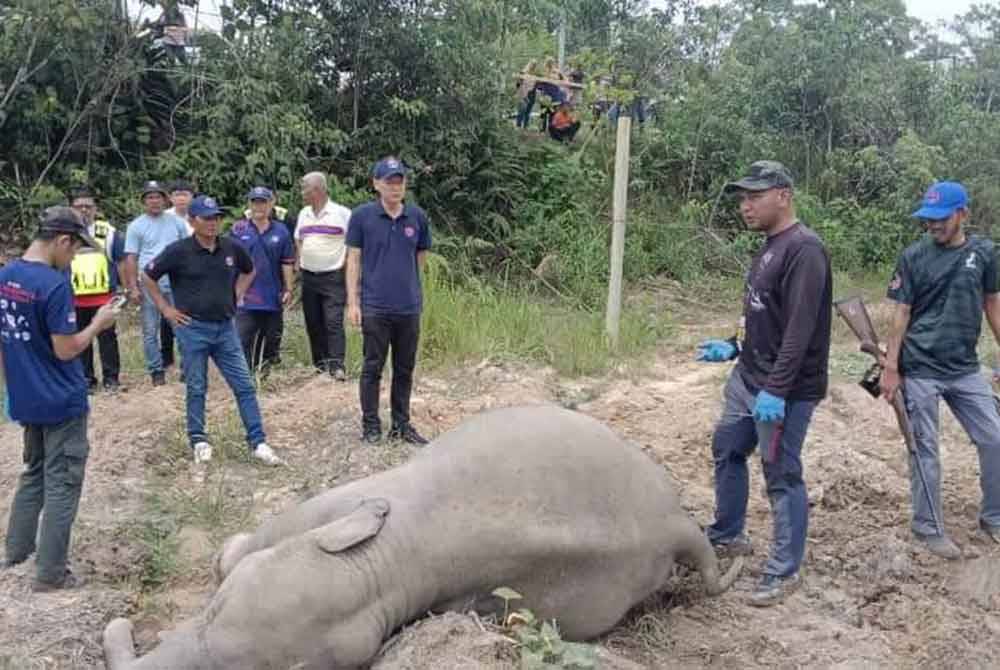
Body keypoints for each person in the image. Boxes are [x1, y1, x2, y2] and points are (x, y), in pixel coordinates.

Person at [696, 161, 832, 607]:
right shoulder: (769, 246)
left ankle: (784, 569)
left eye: (754, 195)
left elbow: (799, 328)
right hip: (747, 378)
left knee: (782, 474)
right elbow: (764, 313)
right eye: (741, 197)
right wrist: (734, 345)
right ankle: (729, 532)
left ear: (784, 195)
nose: (745, 205)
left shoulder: (805, 250)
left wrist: (776, 389)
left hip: (784, 391)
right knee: (728, 449)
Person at [1, 207, 120, 591]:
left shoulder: (6, 277)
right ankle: (50, 574)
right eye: (73, 251)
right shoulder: (53, 286)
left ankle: (16, 554)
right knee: (63, 482)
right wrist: (98, 324)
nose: (73, 259)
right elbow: (67, 349)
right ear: (62, 240)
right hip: (60, 399)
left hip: (27, 396)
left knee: (33, 472)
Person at [882, 181, 1000, 557]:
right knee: (925, 449)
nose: (932, 225)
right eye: (928, 219)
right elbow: (901, 313)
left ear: (962, 214)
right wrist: (890, 367)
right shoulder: (914, 256)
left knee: (994, 439)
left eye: (941, 218)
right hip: (920, 368)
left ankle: (994, 517)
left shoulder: (984, 253)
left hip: (965, 368)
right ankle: (928, 527)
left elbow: (993, 304)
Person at [142, 195, 283, 466]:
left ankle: (258, 441)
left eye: (216, 217)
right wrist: (165, 309)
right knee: (196, 386)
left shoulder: (231, 247)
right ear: (193, 221)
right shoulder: (178, 251)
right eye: (206, 218)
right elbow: (147, 275)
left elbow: (249, 270)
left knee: (244, 384)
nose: (212, 223)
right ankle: (199, 440)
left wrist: (237, 294)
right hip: (192, 327)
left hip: (225, 328)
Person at [346, 157, 431, 445]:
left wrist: (410, 286)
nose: (396, 188)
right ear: (376, 184)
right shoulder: (362, 217)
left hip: (408, 306)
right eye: (390, 182)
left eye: (400, 181)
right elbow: (353, 259)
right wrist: (353, 302)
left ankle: (401, 424)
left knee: (404, 367)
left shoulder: (417, 217)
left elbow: (420, 256)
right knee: (373, 367)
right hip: (375, 306)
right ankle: (371, 425)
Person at [123, 180, 189, 386]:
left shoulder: (176, 222)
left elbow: (187, 249)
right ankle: (156, 371)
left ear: (165, 199)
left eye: (158, 197)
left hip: (175, 282)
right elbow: (131, 258)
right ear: (144, 201)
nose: (155, 201)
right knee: (150, 331)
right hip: (149, 283)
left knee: (182, 327)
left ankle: (187, 369)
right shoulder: (136, 226)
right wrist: (132, 287)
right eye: (150, 197)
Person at [230, 186, 296, 376]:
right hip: (245, 296)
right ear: (249, 204)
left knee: (271, 337)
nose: (259, 206)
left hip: (272, 294)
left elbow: (287, 261)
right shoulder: (238, 229)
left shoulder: (281, 231)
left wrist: (288, 288)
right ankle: (244, 376)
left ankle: (263, 371)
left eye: (263, 202)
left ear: (271, 204)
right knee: (244, 337)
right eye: (255, 202)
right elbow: (230, 260)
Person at [295, 172, 353, 380]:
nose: (302, 193)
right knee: (313, 321)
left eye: (305, 189)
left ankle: (337, 366)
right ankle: (320, 366)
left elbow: (352, 244)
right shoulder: (304, 214)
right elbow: (299, 240)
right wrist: (301, 263)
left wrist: (346, 266)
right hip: (309, 276)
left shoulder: (342, 213)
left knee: (333, 321)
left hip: (333, 276)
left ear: (317, 190)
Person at [68, 188, 126, 392]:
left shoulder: (108, 232)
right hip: (74, 298)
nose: (84, 210)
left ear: (95, 208)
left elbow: (120, 261)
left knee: (107, 339)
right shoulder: (64, 233)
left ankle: (112, 379)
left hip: (104, 296)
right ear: (71, 208)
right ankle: (86, 380)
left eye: (88, 206)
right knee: (80, 340)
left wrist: (124, 288)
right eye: (79, 206)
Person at [162, 179, 195, 371]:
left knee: (188, 315)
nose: (181, 198)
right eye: (176, 194)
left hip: (191, 273)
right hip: (168, 272)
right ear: (170, 198)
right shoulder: (164, 217)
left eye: (185, 194)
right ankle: (167, 358)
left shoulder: (199, 216)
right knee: (166, 318)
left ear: (192, 197)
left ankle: (189, 359)